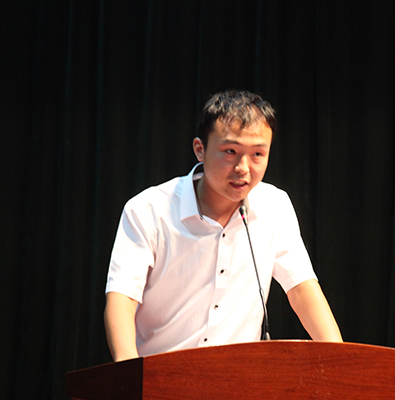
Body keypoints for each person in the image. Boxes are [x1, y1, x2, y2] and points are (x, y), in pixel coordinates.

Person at [104, 90, 342, 361]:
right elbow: (122, 298)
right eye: (230, 152)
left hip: (237, 376)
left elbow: (302, 289)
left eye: (257, 154)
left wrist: (341, 363)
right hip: (160, 371)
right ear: (200, 149)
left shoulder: (274, 205)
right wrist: (129, 373)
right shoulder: (148, 210)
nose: (243, 167)